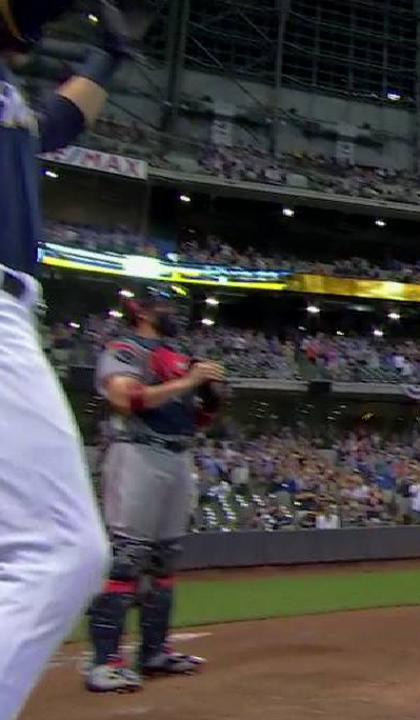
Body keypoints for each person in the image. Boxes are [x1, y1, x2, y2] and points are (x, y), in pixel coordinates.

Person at [0, 3, 139, 716]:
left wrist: (107, 56)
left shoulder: (12, 102)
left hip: (14, 311)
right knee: (63, 550)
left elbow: (56, 123)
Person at [86, 288, 227, 692]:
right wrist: (189, 381)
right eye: (165, 306)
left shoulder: (179, 357)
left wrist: (210, 398)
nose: (173, 314)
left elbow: (197, 420)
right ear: (143, 311)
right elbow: (126, 398)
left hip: (178, 455)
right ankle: (104, 663)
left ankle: (154, 652)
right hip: (137, 452)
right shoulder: (125, 348)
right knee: (127, 558)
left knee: (164, 562)